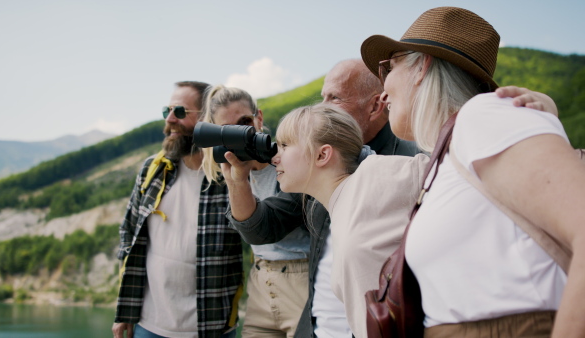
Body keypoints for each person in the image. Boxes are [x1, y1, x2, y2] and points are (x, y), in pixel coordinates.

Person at [360, 6, 584, 337]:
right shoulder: (453, 152)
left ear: (422, 66)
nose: (382, 89)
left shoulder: (482, 116)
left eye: (388, 67)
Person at [223, 59, 421, 338]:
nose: (321, 107)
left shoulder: (405, 164)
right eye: (322, 96)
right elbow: (262, 226)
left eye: (334, 98)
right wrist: (238, 181)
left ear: (376, 106)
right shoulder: (310, 180)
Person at [112, 81, 243, 338]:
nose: (170, 119)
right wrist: (124, 310)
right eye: (167, 111)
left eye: (180, 112)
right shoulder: (153, 169)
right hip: (148, 325)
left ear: (207, 119)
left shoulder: (230, 175)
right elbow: (128, 235)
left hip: (212, 326)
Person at [199, 85, 310, 338]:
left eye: (245, 122)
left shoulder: (289, 160)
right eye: (228, 130)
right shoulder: (231, 174)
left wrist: (237, 181)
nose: (241, 134)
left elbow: (261, 229)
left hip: (301, 279)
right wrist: (236, 178)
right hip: (260, 283)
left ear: (259, 118)